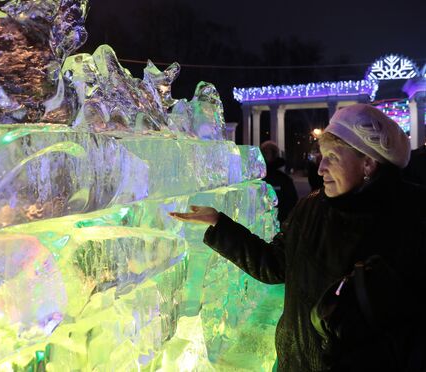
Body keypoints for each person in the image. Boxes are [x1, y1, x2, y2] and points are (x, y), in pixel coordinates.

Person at [170, 104, 426, 371]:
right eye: (321, 156)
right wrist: (219, 224)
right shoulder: (312, 209)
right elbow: (275, 265)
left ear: (368, 163)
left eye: (333, 158)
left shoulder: (411, 219)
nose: (320, 168)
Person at [260, 141, 298, 223]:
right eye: (264, 152)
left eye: (267, 152)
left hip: (278, 226)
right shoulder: (254, 178)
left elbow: (292, 204)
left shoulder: (284, 180)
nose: (265, 155)